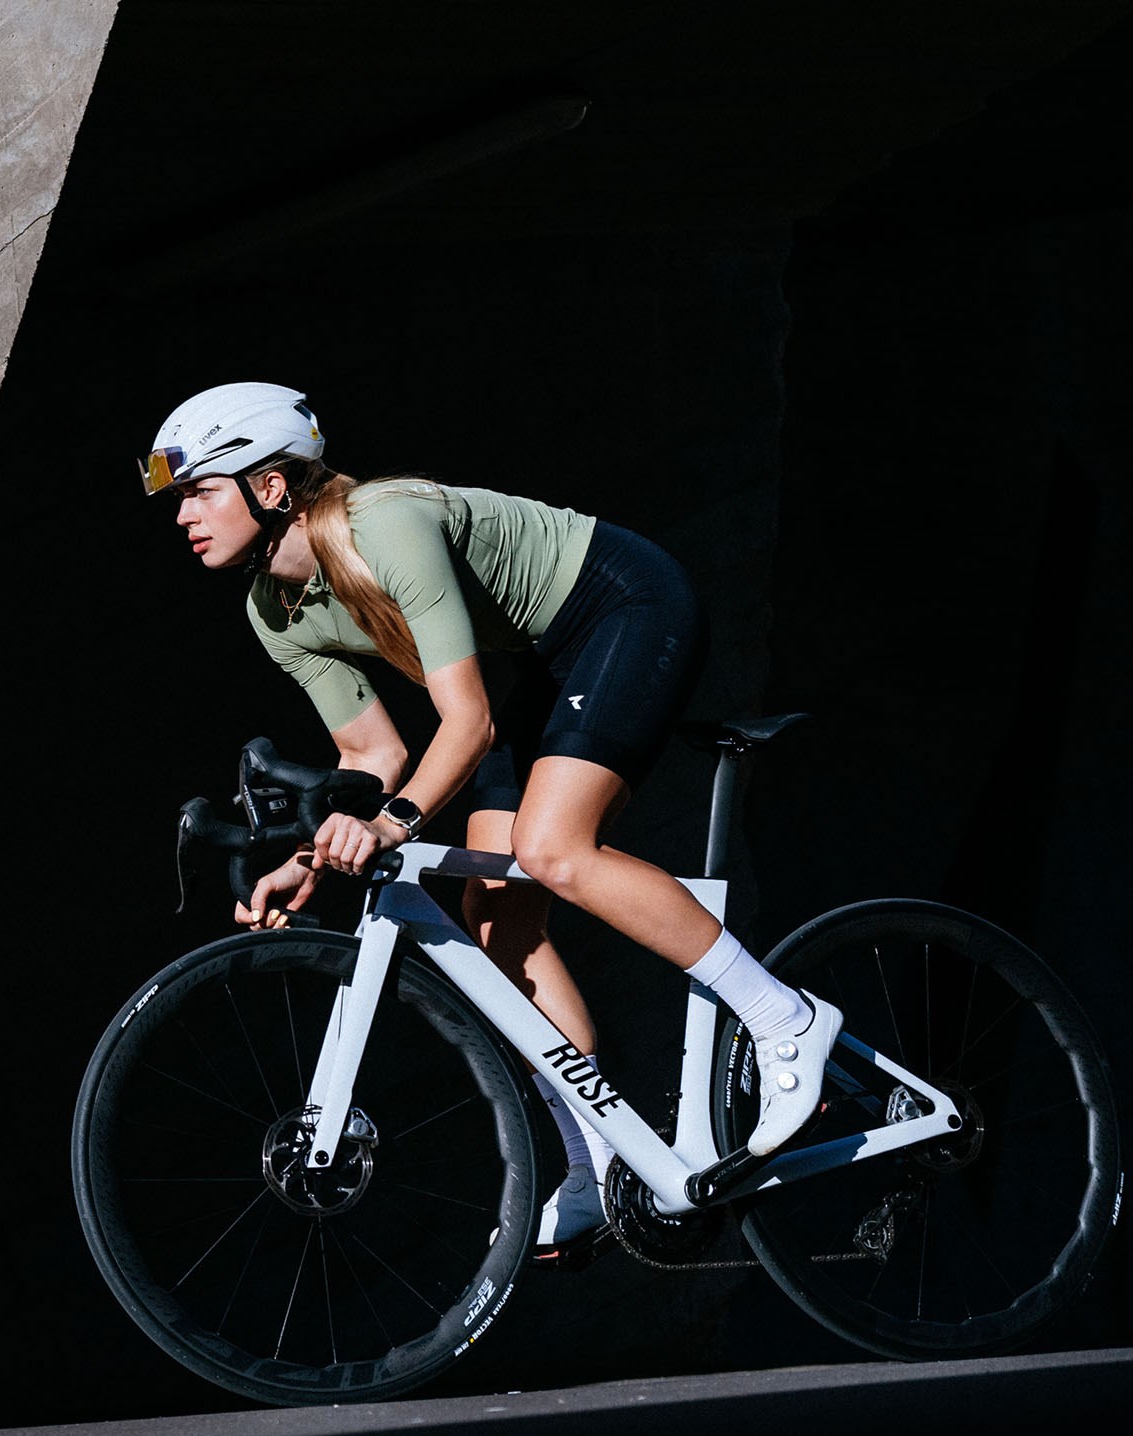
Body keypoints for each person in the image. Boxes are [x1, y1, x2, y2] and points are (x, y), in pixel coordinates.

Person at [141, 382, 840, 1249]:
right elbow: (376, 759)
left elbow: (465, 723)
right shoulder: (274, 613)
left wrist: (393, 824)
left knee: (553, 849)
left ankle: (787, 1020)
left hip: (623, 603)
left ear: (271, 488)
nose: (183, 516)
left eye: (200, 491)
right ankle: (600, 1166)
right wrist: (311, 860)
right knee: (495, 924)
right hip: (544, 658)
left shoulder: (384, 524)